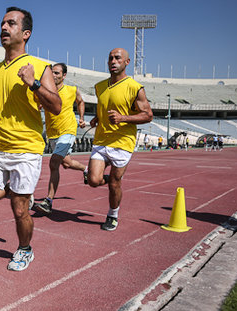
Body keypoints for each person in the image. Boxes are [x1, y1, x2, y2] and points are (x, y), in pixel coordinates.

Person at [0, 6, 61, 271]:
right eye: (2, 23)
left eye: (11, 23)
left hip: (26, 150)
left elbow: (55, 106)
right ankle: (16, 190)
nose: (4, 28)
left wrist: (33, 83)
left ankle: (24, 249)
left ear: (26, 33)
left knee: (20, 210)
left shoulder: (40, 67)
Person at [85, 48, 153, 231]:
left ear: (127, 62)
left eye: (117, 58)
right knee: (93, 180)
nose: (113, 61)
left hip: (123, 142)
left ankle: (112, 215)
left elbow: (148, 116)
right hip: (101, 140)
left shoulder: (135, 88)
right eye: (110, 58)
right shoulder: (99, 87)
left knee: (115, 184)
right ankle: (108, 178)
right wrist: (98, 118)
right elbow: (106, 107)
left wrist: (123, 118)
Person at [32, 62, 87, 215]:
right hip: (52, 133)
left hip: (68, 130)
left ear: (64, 75)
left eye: (57, 73)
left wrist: (81, 118)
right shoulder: (46, 91)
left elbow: (80, 101)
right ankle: (86, 169)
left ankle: (48, 201)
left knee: (54, 162)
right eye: (52, 73)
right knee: (67, 163)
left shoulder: (71, 90)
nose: (54, 76)